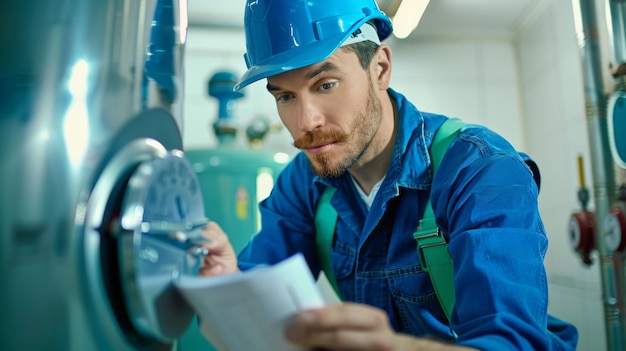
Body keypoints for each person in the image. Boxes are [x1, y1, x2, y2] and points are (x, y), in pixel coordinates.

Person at [199, 0, 579, 350]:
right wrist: (225, 286)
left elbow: (511, 341)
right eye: (284, 96)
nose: (305, 122)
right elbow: (258, 306)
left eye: (325, 84)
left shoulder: (479, 168)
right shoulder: (304, 181)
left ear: (379, 68)